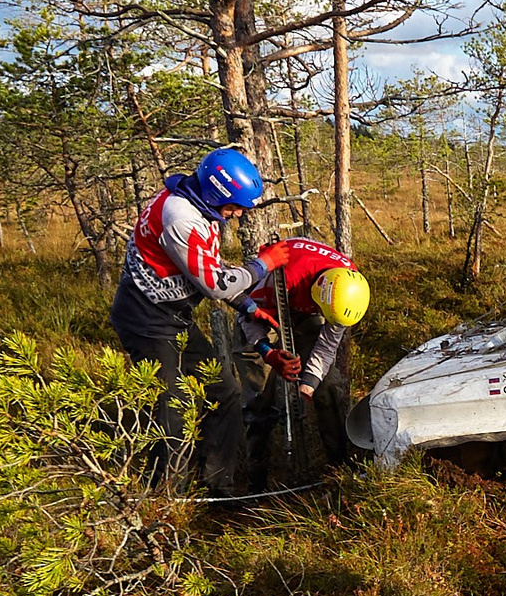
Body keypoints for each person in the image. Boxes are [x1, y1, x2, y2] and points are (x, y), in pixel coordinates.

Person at [110, 145, 266, 485]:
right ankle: (166, 496)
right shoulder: (181, 217)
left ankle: (217, 485)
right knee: (173, 410)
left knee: (225, 393)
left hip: (174, 319)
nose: (236, 215)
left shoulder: (198, 207)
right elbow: (215, 284)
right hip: (147, 321)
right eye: (234, 207)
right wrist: (262, 266)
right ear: (216, 193)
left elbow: (207, 268)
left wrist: (248, 306)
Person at [237, 232, 372, 490]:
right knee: (259, 394)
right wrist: (267, 352)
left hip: (305, 304)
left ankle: (338, 466)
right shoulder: (282, 279)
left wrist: (306, 388)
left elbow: (327, 345)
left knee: (329, 385)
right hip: (262, 310)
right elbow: (245, 314)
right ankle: (257, 481)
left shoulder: (346, 289)